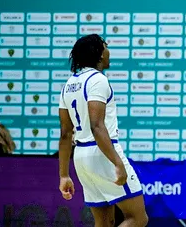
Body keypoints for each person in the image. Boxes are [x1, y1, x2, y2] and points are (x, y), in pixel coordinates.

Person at [58, 34, 148, 227]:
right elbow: (97, 125)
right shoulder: (98, 80)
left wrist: (64, 175)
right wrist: (117, 162)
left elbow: (65, 134)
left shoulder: (68, 84)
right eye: (106, 46)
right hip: (102, 153)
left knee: (104, 222)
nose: (109, 51)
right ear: (98, 53)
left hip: (81, 156)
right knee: (138, 218)